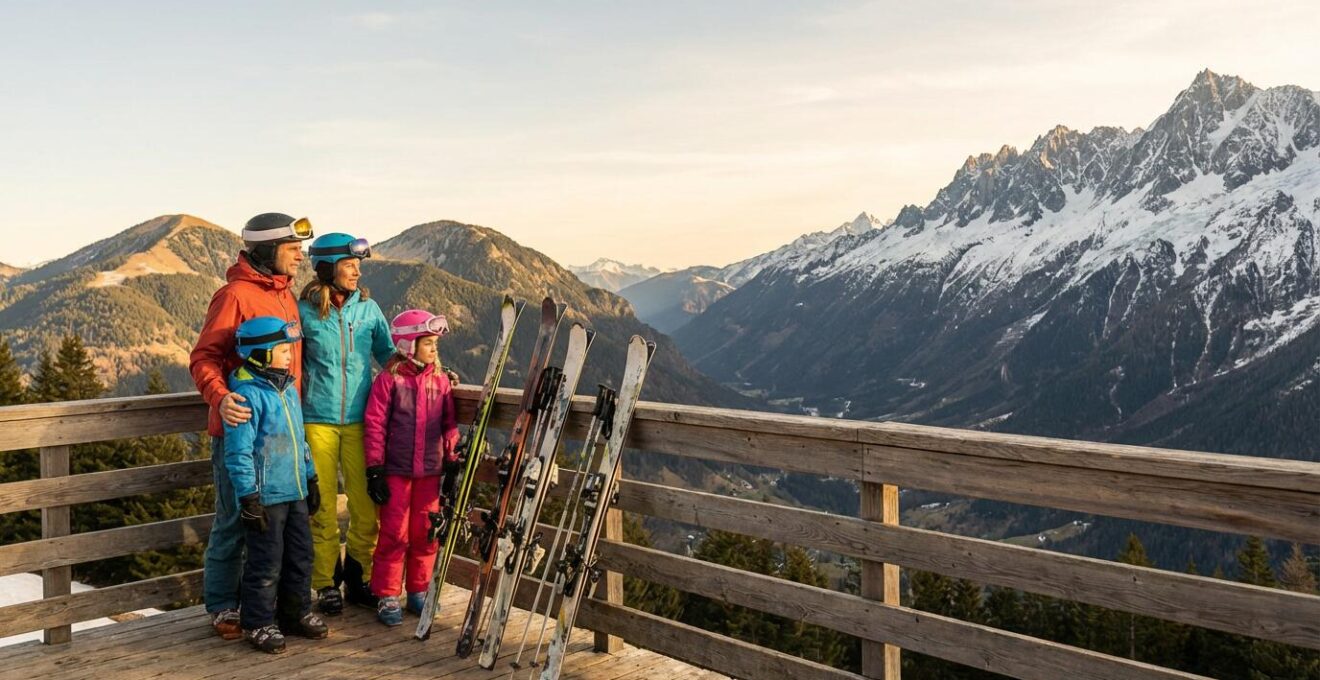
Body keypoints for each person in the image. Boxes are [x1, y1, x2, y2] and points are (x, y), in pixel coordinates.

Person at [190, 213, 313, 639]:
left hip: (282, 437)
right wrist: (221, 398)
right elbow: (203, 358)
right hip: (240, 431)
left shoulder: (286, 296)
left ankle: (267, 606)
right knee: (234, 521)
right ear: (265, 250)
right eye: (291, 248)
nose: (300, 255)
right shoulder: (234, 296)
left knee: (277, 530)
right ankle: (224, 607)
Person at [297, 233, 396, 614]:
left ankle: (359, 578)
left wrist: (434, 371)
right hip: (316, 422)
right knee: (320, 509)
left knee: (366, 507)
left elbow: (389, 357)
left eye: (358, 264)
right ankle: (325, 584)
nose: (357, 270)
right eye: (349, 264)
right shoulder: (303, 312)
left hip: (359, 422)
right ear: (326, 268)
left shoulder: (368, 310)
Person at [224, 316, 329, 653]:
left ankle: (294, 613)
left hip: (295, 488)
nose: (289, 355)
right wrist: (248, 497)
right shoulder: (246, 395)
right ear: (259, 353)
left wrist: (310, 476)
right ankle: (258, 622)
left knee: (301, 555)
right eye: (282, 349)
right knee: (266, 562)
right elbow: (238, 452)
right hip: (266, 495)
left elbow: (300, 439)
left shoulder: (287, 387)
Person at [363, 309, 460, 626]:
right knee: (394, 534)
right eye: (428, 343)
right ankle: (388, 593)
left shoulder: (441, 381)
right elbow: (375, 425)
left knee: (426, 533)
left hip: (431, 472)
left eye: (435, 344)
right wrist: (375, 469)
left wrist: (453, 461)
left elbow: (449, 425)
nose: (434, 349)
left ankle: (419, 590)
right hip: (396, 471)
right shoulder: (389, 380)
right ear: (407, 345)